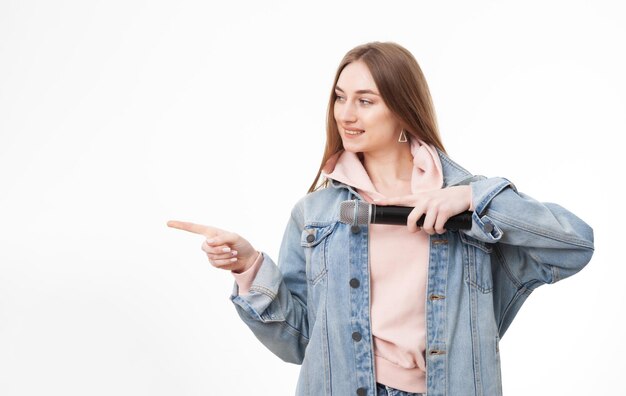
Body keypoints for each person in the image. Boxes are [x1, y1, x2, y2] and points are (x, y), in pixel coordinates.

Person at [167, 41, 594, 396]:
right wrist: (249, 268)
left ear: (402, 109)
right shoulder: (316, 214)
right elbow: (300, 342)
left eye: (365, 101)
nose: (346, 114)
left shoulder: (466, 203)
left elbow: (574, 244)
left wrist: (474, 197)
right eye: (340, 97)